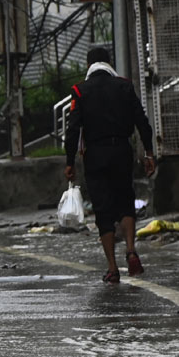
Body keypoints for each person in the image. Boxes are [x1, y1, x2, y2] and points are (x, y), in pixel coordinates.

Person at [64, 45, 157, 284]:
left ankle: (112, 268)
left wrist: (70, 162)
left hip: (95, 154)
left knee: (103, 209)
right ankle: (130, 249)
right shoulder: (124, 86)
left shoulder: (80, 91)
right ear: (109, 63)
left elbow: (73, 129)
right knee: (125, 200)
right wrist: (149, 153)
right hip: (121, 151)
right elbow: (142, 122)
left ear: (88, 65)